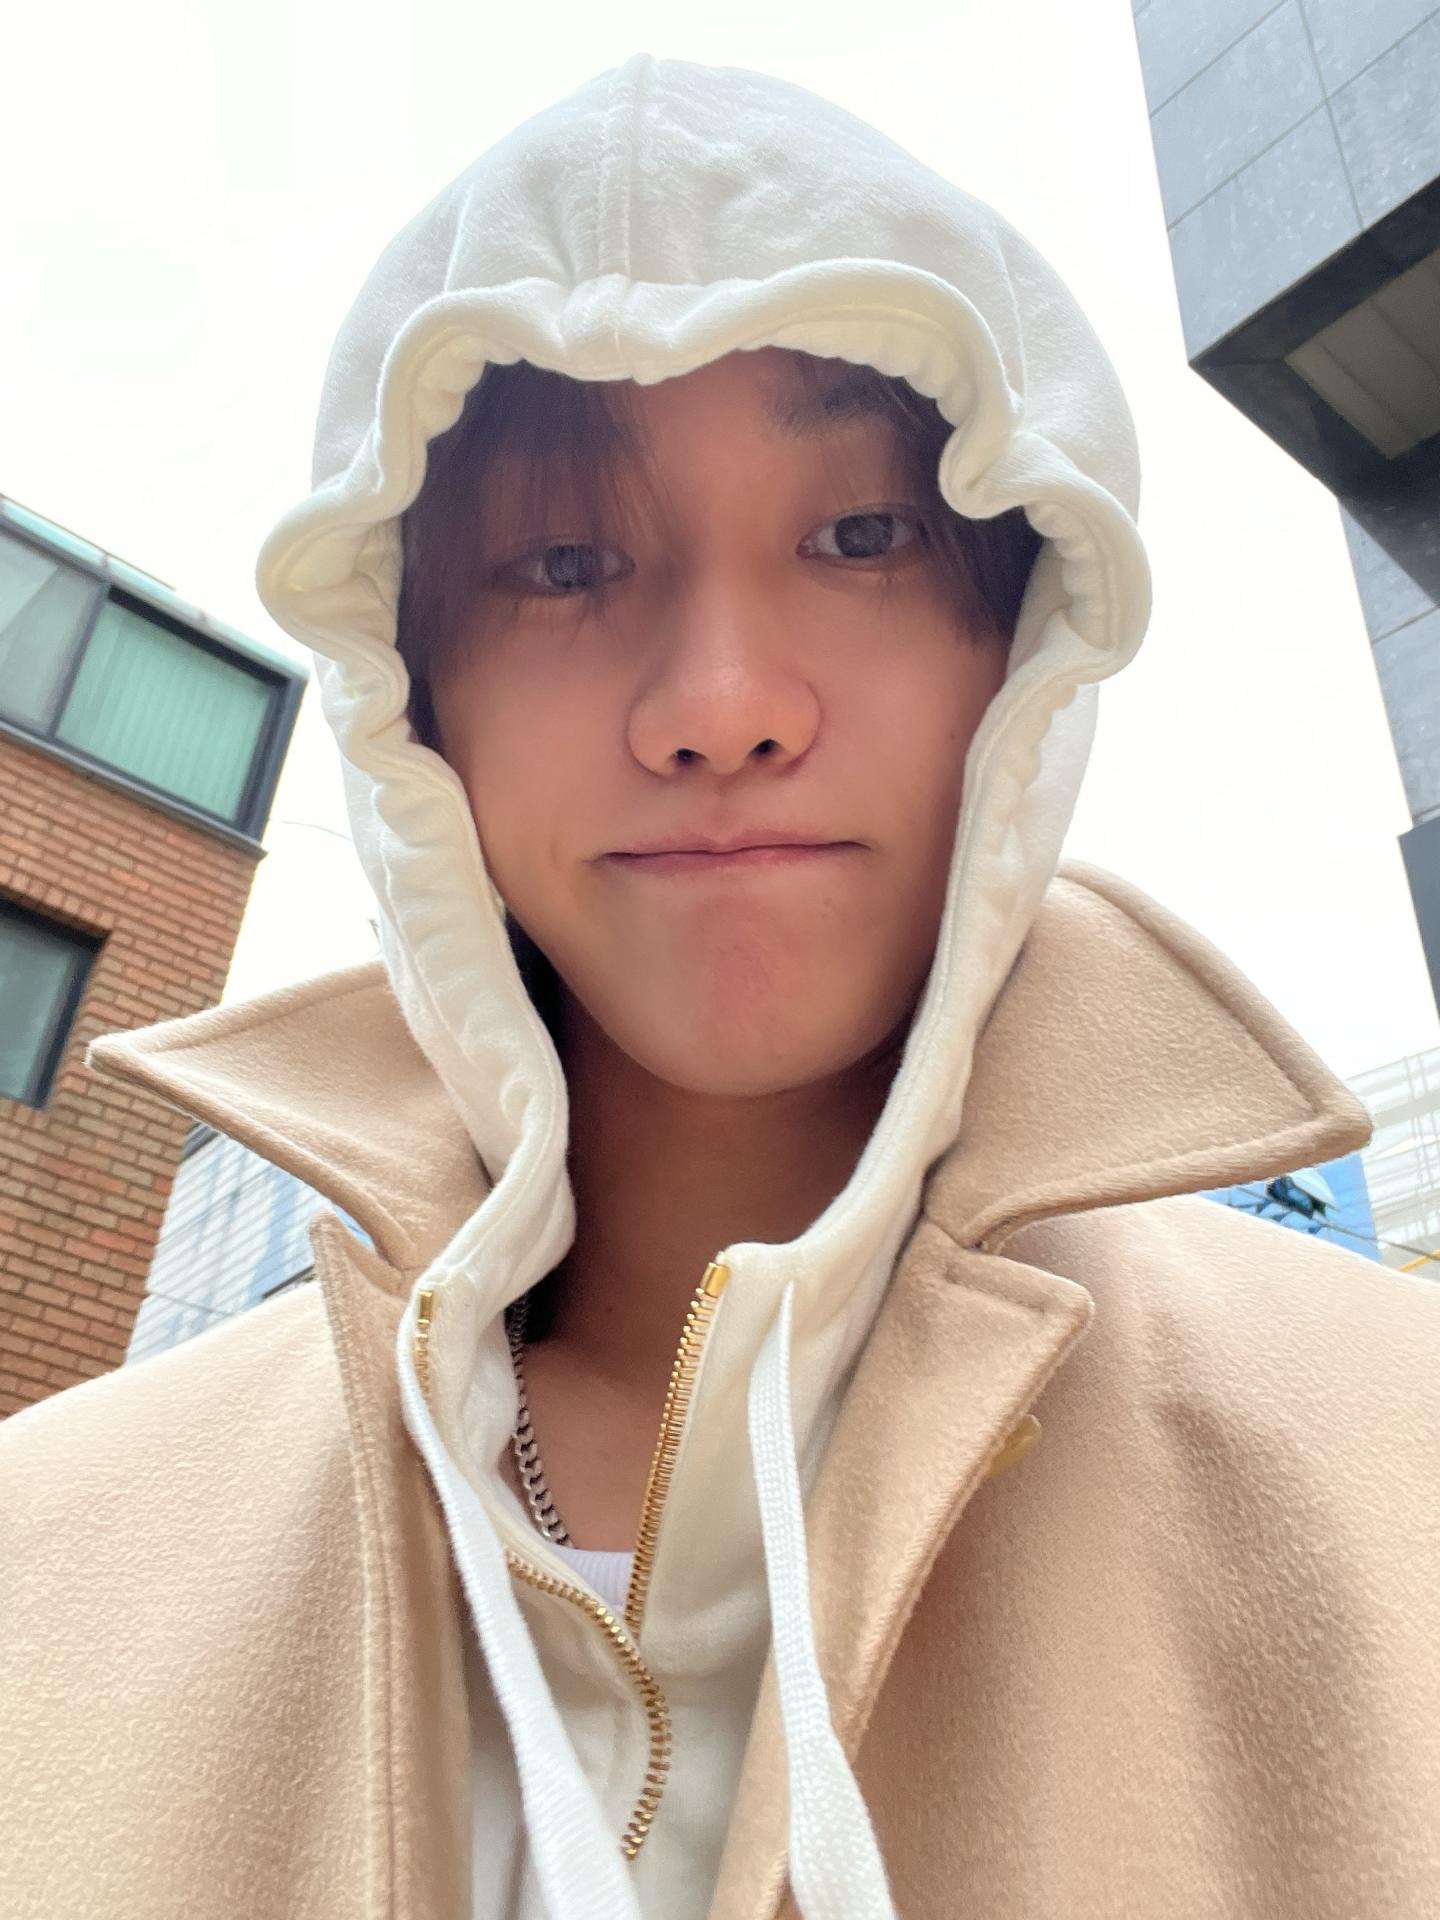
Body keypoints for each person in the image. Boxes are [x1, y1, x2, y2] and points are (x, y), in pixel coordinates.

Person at [3, 53, 1438, 1920]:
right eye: (561, 562)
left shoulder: (1400, 1466)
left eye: (862, 536)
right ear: (410, 695)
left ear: (1025, 641)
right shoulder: (48, 1556)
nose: (719, 707)